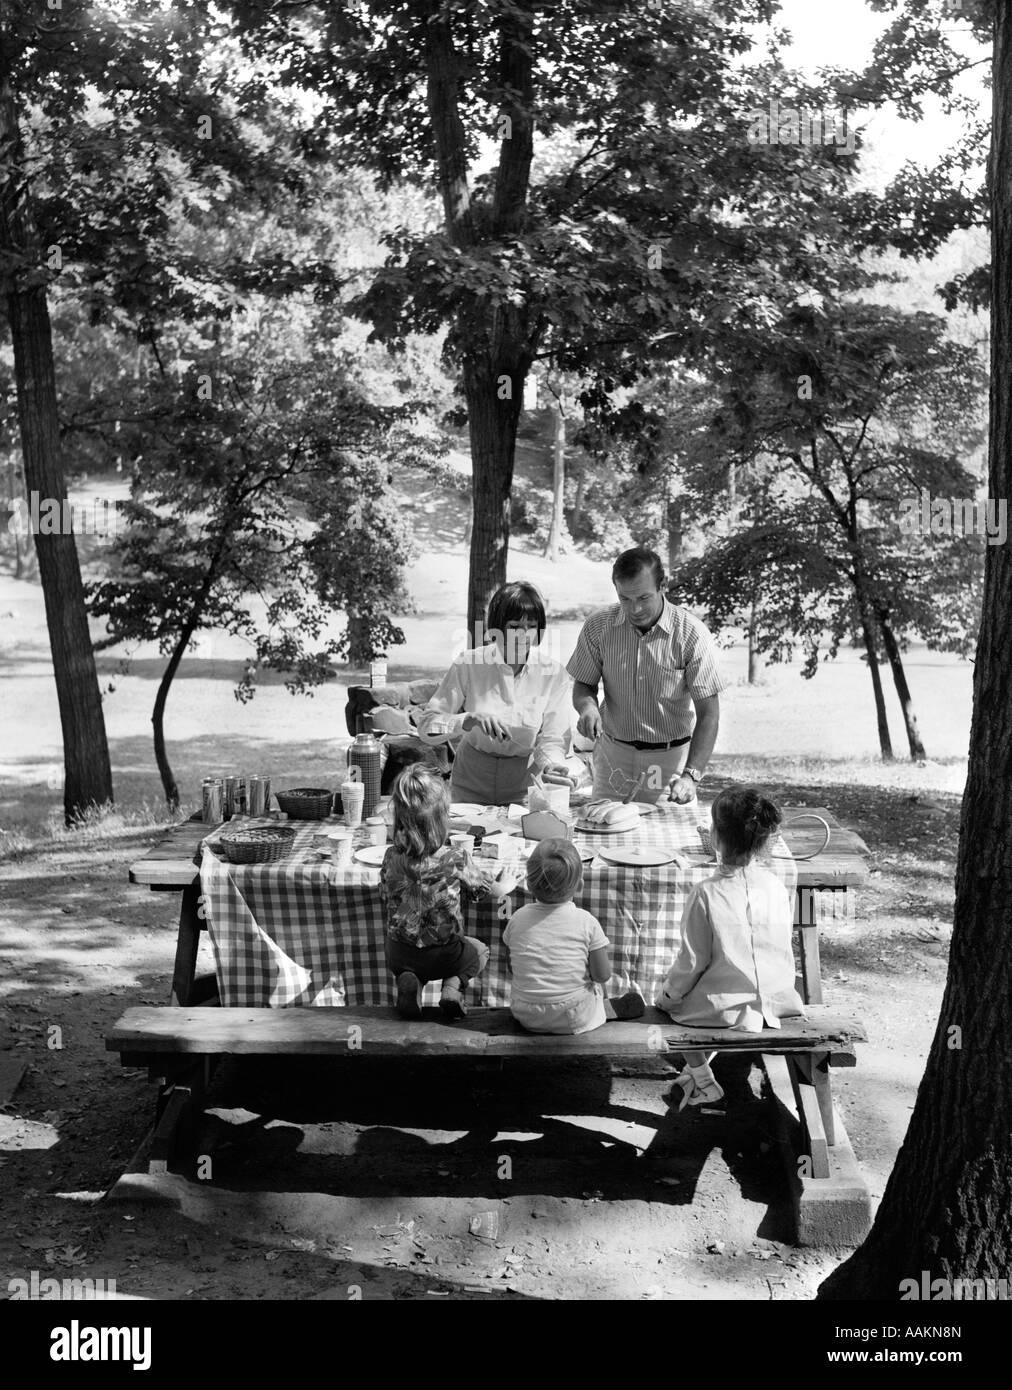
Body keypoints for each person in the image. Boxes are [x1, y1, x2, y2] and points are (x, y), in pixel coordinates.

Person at [655, 786, 805, 1108]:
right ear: (764, 841)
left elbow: (692, 962)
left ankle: (703, 1079)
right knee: (703, 997)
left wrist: (668, 995)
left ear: (715, 837)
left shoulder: (705, 893)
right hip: (778, 1000)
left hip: (729, 1008)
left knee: (673, 1006)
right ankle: (692, 1079)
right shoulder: (776, 886)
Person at [567, 547, 724, 805]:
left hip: (668, 765)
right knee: (602, 834)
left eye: (643, 597)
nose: (635, 608)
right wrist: (588, 709)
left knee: (671, 842)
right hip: (612, 759)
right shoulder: (598, 626)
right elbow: (584, 683)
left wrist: (691, 776)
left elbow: (709, 714)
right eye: (625, 598)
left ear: (662, 586)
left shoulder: (691, 634)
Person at [417, 581, 586, 805]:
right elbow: (426, 727)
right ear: (497, 627)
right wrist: (467, 719)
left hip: (525, 786)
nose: (524, 635)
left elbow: (553, 739)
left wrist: (551, 764)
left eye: (532, 626)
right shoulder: (468, 664)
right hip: (470, 781)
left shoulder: (553, 674)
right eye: (515, 626)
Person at [380, 764, 520, 1019]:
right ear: (442, 820)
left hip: (398, 954)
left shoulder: (391, 856)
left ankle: (410, 982)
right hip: (444, 956)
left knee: (411, 961)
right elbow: (485, 891)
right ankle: (452, 988)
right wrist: (506, 885)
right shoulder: (455, 857)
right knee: (479, 950)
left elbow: (384, 890)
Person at [503, 838, 645, 1034]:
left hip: (526, 1014)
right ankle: (606, 1010)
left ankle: (598, 1007)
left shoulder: (517, 918)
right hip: (573, 1016)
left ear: (528, 884)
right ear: (580, 885)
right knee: (593, 991)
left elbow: (512, 967)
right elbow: (602, 975)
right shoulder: (586, 922)